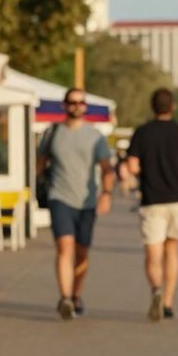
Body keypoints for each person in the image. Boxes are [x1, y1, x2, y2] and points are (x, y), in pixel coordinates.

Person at [37, 88, 115, 320]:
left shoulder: (95, 136)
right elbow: (40, 164)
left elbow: (107, 169)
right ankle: (65, 298)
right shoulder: (52, 133)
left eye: (81, 102)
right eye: (72, 102)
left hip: (87, 202)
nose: (76, 106)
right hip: (59, 198)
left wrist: (107, 194)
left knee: (82, 253)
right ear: (64, 105)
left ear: (85, 106)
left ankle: (76, 294)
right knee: (65, 248)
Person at [127, 87, 178, 321]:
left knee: (153, 252)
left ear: (152, 106)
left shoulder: (142, 133)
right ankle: (168, 303)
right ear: (173, 106)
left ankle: (156, 290)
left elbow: (132, 166)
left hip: (151, 199)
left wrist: (145, 172)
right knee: (172, 251)